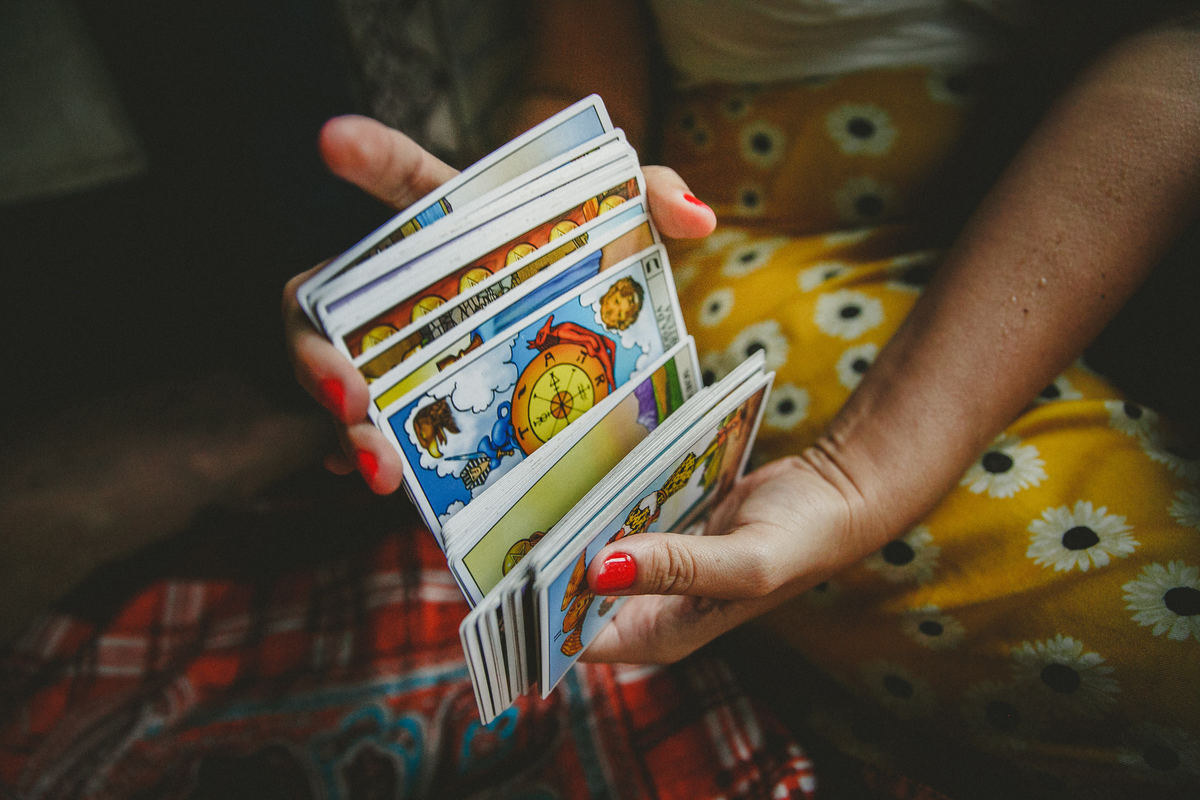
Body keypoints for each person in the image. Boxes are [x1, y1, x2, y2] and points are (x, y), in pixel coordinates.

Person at [284, 1, 1200, 795]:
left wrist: (867, 477)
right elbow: (579, 74)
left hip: (1110, 196)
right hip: (745, 222)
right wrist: (513, 257)